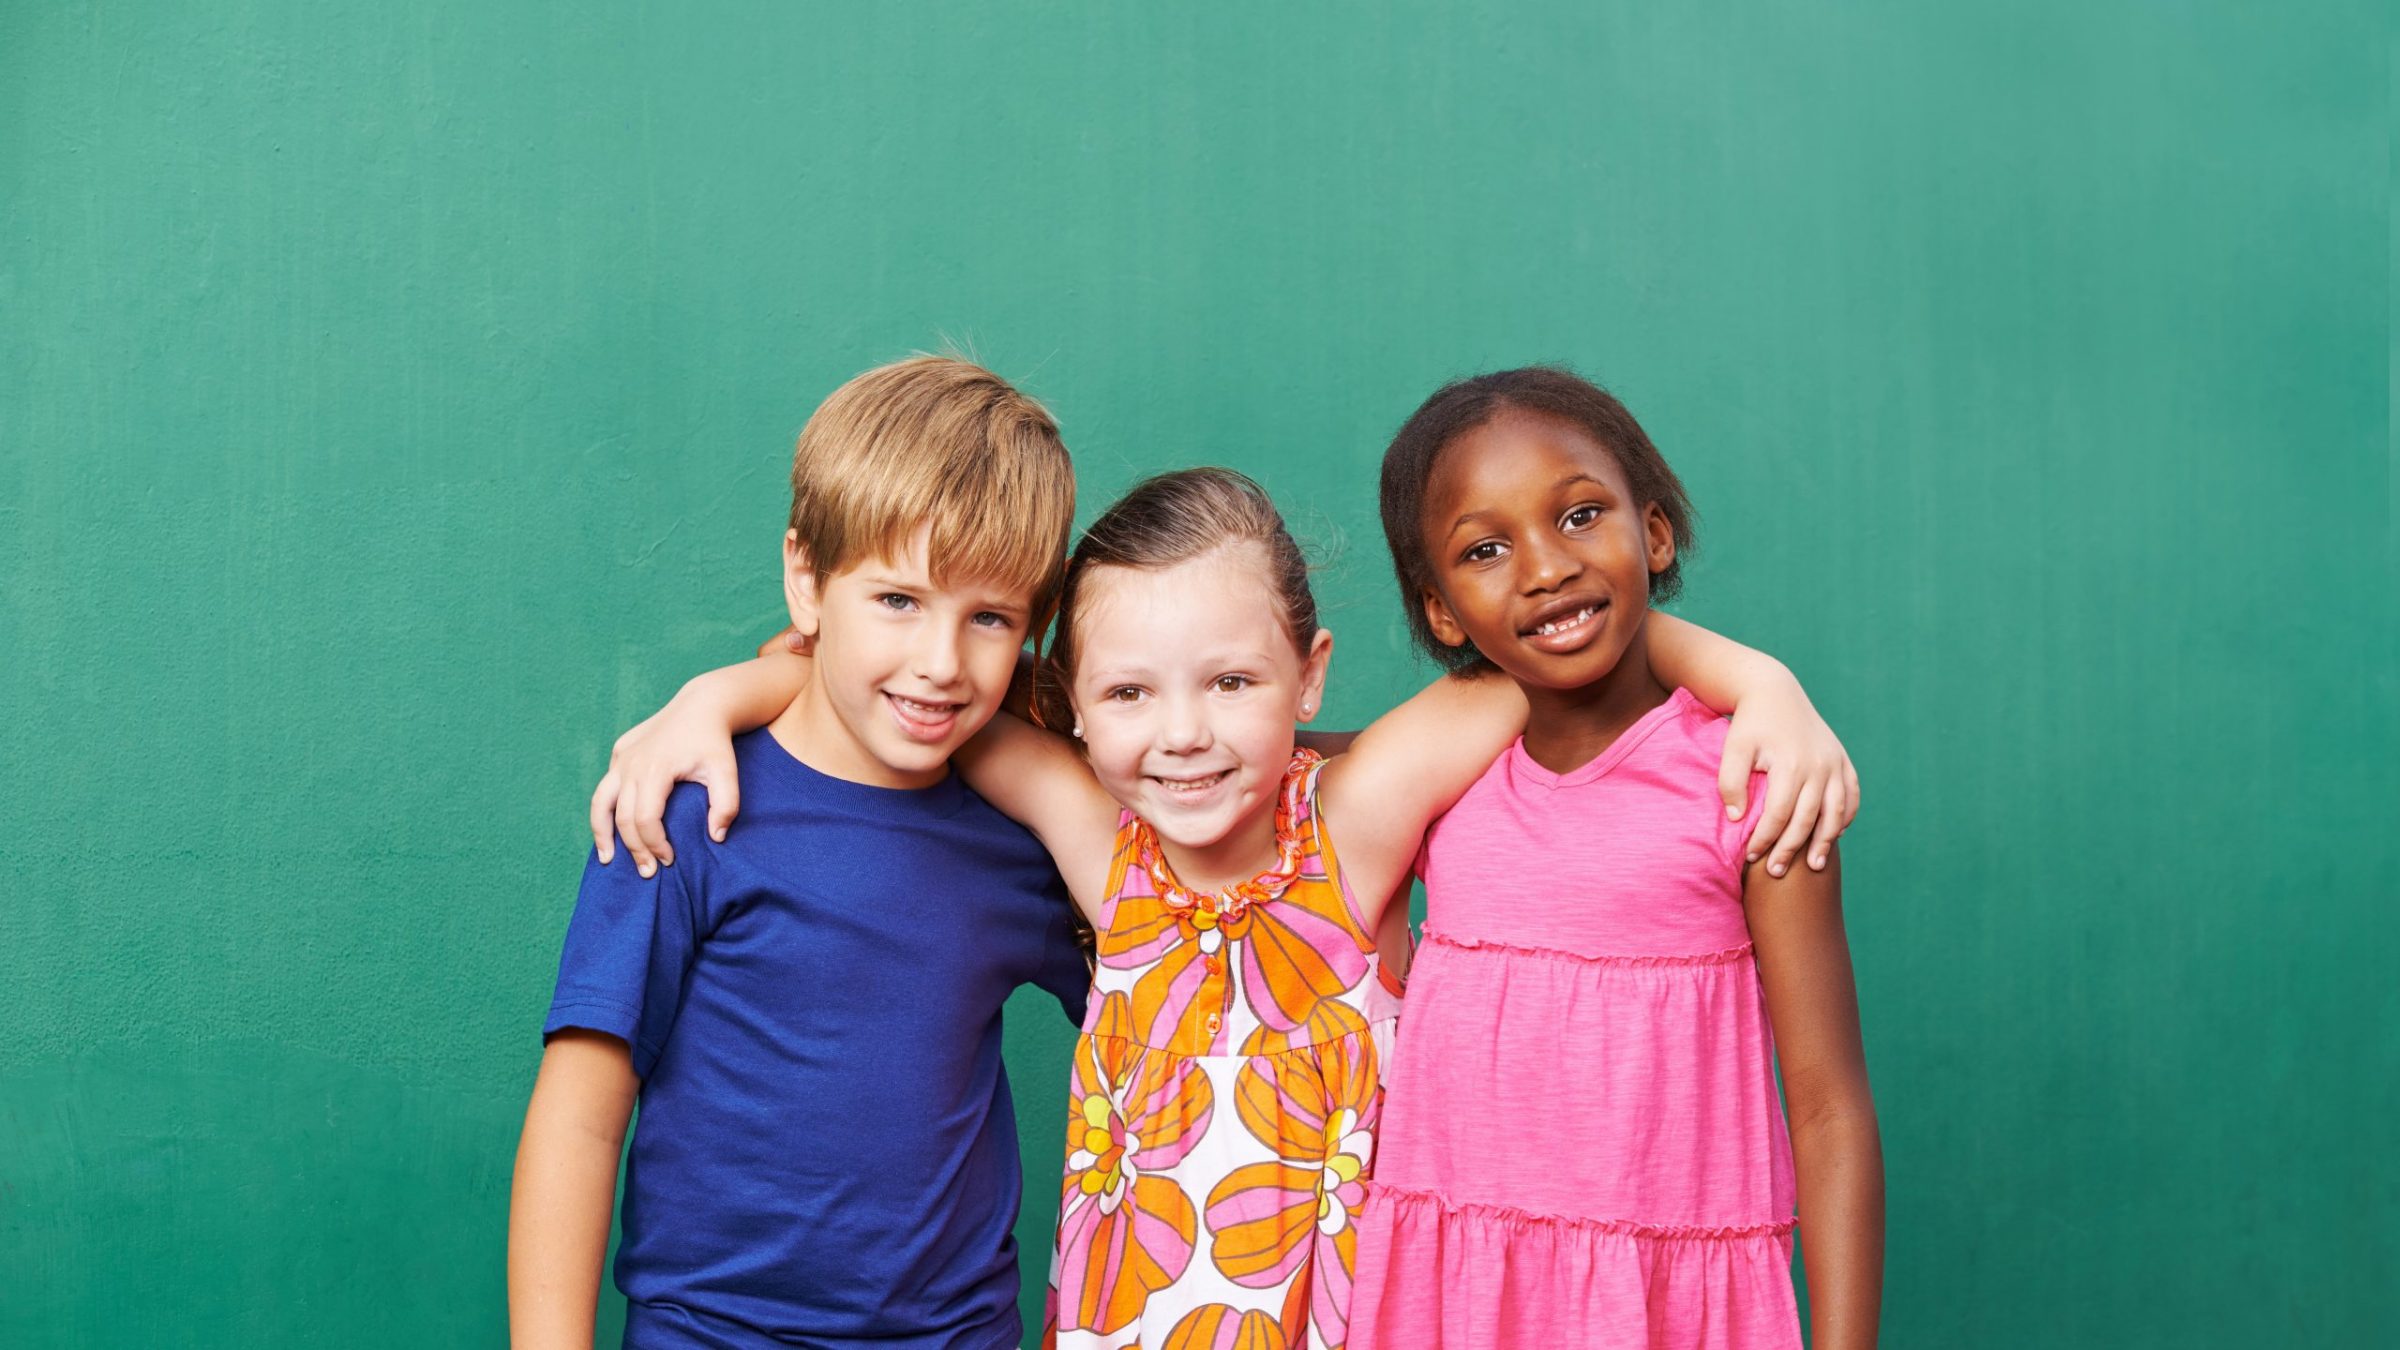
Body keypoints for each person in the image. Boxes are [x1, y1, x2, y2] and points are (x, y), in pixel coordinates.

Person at [599, 459, 1855, 1348]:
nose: (1185, 735)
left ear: (1309, 678)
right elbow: (883, 688)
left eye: (1233, 683)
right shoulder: (1106, 852)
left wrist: (1759, 681)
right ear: (1072, 706)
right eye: (1130, 694)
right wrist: (713, 699)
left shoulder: (1350, 832)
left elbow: (1558, 657)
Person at [507, 356, 1091, 1350]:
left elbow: (1164, 995)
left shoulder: (1019, 837)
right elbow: (580, 1117)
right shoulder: (685, 805)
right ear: (807, 580)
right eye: (898, 600)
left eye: (989, 618)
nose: (941, 663)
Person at [1345, 368, 1883, 1350]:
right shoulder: (1444, 776)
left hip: (1666, 1305)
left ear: (1656, 534)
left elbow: (1829, 1110)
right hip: (1455, 1307)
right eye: (1486, 549)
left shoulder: (1754, 784)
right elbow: (1234, 760)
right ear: (1442, 611)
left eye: (1581, 515)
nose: (1546, 567)